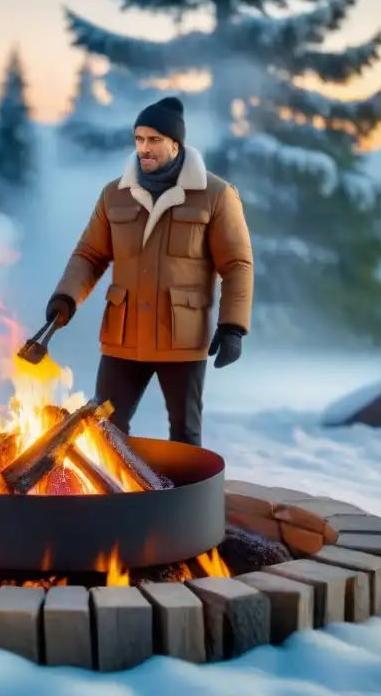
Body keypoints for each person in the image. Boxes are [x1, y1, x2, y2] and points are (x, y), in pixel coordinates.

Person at [45, 96, 253, 447]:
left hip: (181, 338)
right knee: (104, 429)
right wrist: (66, 297)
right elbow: (90, 255)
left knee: (185, 435)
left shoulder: (215, 195)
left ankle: (183, 502)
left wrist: (233, 327)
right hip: (122, 336)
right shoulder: (115, 195)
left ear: (176, 143)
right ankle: (114, 499)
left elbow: (236, 265)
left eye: (154, 139)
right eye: (139, 139)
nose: (144, 148)